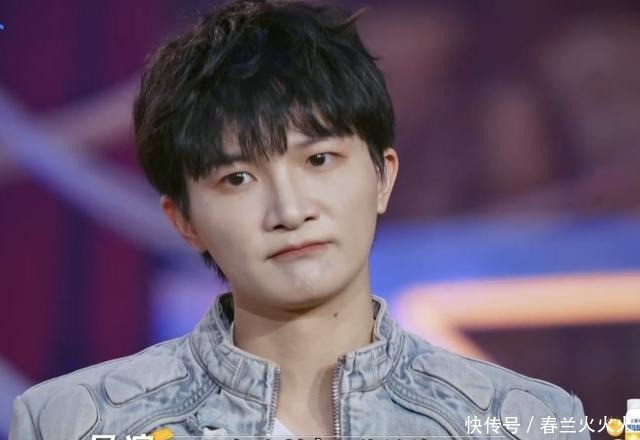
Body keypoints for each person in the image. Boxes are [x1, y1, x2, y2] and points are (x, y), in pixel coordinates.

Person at [9, 1, 589, 439]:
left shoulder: (527, 420)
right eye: (238, 178)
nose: (289, 211)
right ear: (183, 220)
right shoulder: (73, 422)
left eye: (318, 161)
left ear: (382, 176)